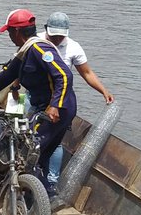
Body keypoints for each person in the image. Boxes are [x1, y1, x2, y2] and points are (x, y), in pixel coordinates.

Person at [0, 9, 76, 198]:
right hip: (48, 108)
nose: (9, 37)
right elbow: (6, 75)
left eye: (9, 32)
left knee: (28, 152)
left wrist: (54, 105)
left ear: (16, 32)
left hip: (56, 110)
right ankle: (41, 197)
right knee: (40, 155)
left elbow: (65, 76)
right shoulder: (24, 52)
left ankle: (32, 197)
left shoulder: (40, 49)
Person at [37, 11, 115, 188]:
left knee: (55, 142)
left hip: (59, 100)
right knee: (30, 136)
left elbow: (86, 73)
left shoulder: (73, 48)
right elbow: (18, 65)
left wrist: (103, 90)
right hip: (36, 97)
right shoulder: (36, 42)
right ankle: (33, 174)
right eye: (54, 35)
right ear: (46, 29)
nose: (57, 39)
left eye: (60, 36)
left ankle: (51, 181)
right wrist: (15, 87)